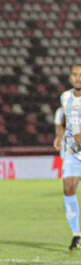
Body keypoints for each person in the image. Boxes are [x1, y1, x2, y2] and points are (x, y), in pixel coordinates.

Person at [52, 64, 81, 250]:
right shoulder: (65, 97)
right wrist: (59, 134)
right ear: (70, 77)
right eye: (75, 74)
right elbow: (62, 117)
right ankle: (76, 234)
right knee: (68, 188)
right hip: (72, 152)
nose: (78, 78)